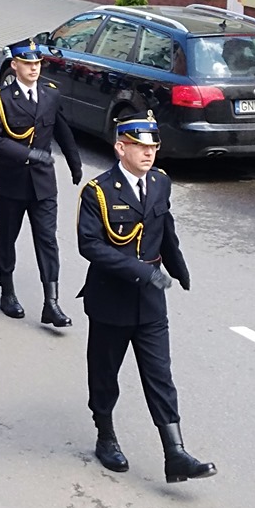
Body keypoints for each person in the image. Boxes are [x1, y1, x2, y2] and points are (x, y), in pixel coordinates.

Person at [76, 111, 216, 484]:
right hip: (111, 299)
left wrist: (178, 266)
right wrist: (142, 271)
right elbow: (89, 245)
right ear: (120, 148)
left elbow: (163, 226)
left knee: (160, 375)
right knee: (105, 374)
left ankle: (176, 453)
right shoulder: (99, 192)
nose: (149, 152)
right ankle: (105, 436)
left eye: (153, 146)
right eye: (140, 146)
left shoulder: (159, 182)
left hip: (151, 302)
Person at [0, 38, 82, 325]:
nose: (34, 68)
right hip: (11, 181)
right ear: (15, 65)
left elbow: (61, 129)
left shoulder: (50, 93)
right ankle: (7, 292)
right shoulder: (2, 98)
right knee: (6, 238)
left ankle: (52, 302)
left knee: (47, 240)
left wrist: (74, 163)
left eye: (37, 63)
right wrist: (28, 154)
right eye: (27, 63)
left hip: (43, 183)